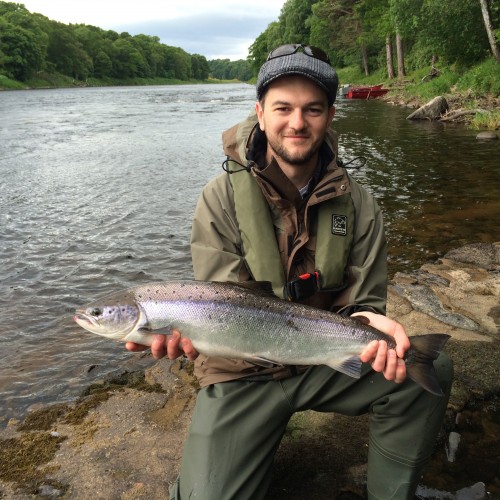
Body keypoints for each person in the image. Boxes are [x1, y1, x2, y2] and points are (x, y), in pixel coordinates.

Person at [126, 44, 453, 499]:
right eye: (283, 108)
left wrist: (370, 321)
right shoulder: (219, 199)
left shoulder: (359, 203)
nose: (297, 123)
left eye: (312, 109)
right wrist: (183, 335)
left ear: (330, 115)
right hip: (243, 374)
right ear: (260, 113)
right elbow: (216, 304)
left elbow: (364, 303)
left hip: (322, 353)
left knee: (416, 371)